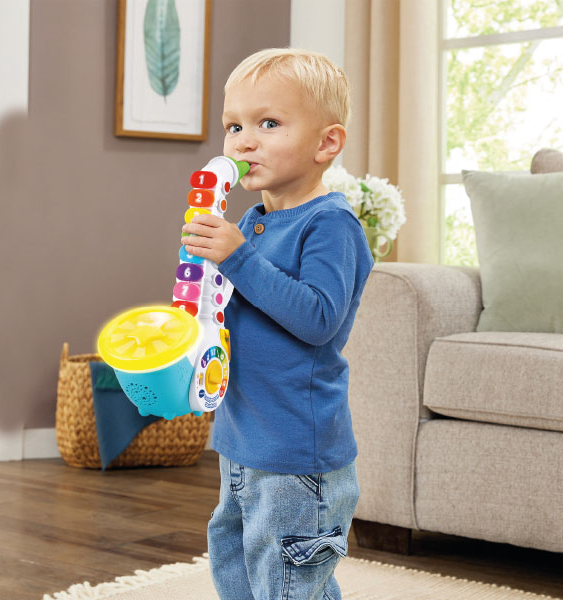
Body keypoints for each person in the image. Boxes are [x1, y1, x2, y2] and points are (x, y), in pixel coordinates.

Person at [180, 48, 374, 600]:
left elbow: (317, 318)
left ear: (326, 143)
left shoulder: (331, 225)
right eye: (234, 126)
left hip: (296, 453)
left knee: (288, 583)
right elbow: (233, 308)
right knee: (238, 569)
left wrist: (238, 258)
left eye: (268, 123)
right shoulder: (250, 222)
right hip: (242, 440)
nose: (244, 142)